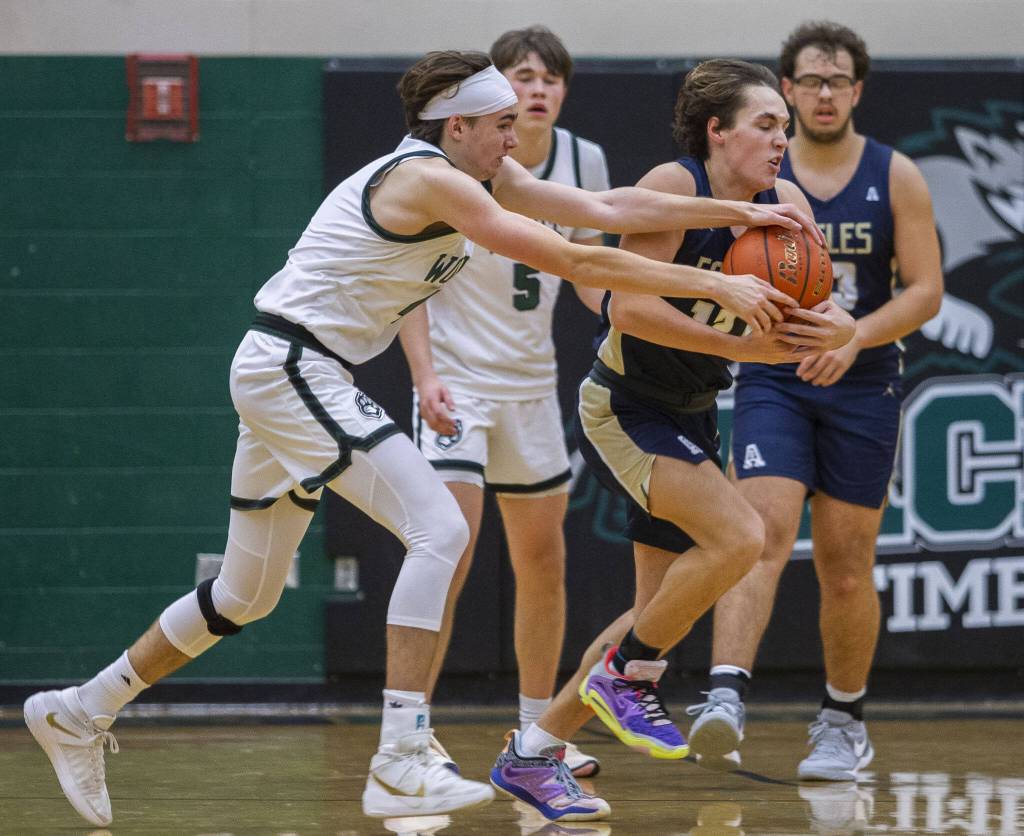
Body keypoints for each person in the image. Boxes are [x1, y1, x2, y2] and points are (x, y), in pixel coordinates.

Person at [23, 50, 823, 828]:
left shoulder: (481, 171)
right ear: (459, 125)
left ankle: (80, 709)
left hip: (298, 373)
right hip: (293, 366)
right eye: (502, 123)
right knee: (439, 526)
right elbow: (569, 253)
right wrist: (713, 279)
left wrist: (744, 213)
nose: (516, 137)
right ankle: (400, 754)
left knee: (245, 594)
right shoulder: (430, 181)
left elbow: (608, 209)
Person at [489, 59, 855, 822]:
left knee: (653, 614)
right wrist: (748, 348)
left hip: (691, 408)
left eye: (784, 128)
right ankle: (624, 681)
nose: (781, 139)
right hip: (626, 403)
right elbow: (627, 310)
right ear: (717, 132)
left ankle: (531, 751)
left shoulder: (787, 204)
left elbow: (828, 304)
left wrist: (839, 330)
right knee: (742, 540)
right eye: (765, 125)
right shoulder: (678, 185)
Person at [686, 22, 943, 781]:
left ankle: (843, 719)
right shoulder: (761, 172)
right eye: (810, 81)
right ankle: (725, 695)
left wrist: (854, 336)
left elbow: (926, 291)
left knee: (844, 564)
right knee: (758, 530)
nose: (824, 93)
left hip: (863, 380)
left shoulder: (896, 175)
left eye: (838, 80)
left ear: (857, 91)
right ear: (788, 91)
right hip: (774, 375)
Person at [398, 26, 607, 779]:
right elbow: (409, 282)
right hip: (457, 380)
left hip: (532, 385)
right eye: (525, 75)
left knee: (543, 562)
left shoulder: (583, 162)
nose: (540, 88)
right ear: (494, 90)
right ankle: (411, 732)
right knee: (446, 551)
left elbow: (590, 276)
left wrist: (634, 315)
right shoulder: (452, 162)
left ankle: (537, 734)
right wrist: (423, 377)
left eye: (553, 77)